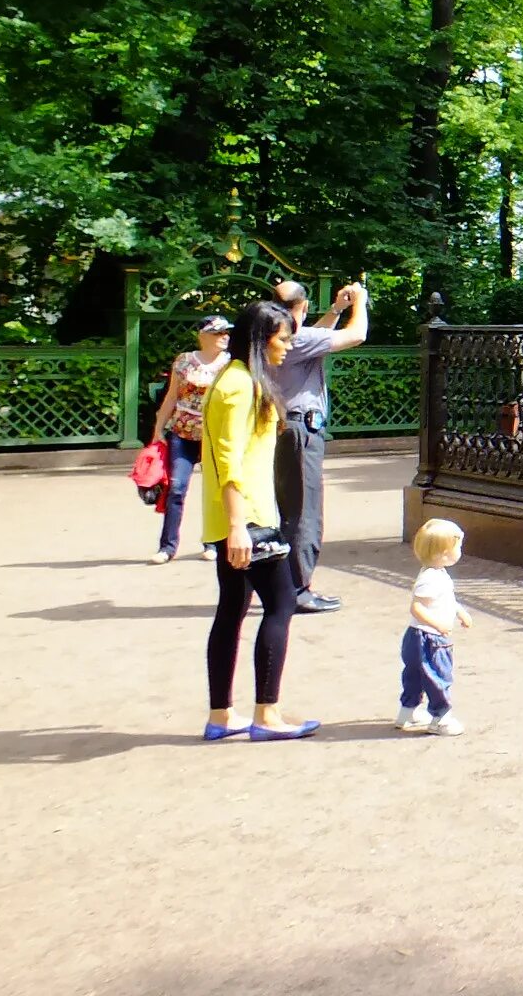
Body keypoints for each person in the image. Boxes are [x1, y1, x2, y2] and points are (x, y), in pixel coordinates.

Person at [200, 300, 317, 742]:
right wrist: (237, 526)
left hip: (240, 517)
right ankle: (266, 715)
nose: (288, 346)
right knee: (282, 605)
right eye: (282, 337)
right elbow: (227, 460)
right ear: (260, 338)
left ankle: (220, 716)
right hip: (248, 520)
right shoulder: (239, 386)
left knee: (231, 611)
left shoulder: (237, 381)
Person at [272, 278, 369, 613]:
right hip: (301, 431)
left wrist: (335, 310)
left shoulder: (278, 335)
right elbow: (357, 335)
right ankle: (298, 590)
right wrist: (360, 302)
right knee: (304, 512)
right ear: (303, 306)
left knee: (291, 509)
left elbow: (315, 334)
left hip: (286, 429)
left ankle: (288, 585)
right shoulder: (296, 337)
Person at [145, 316, 231, 564]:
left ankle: (213, 542)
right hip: (182, 432)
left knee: (215, 490)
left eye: (226, 332)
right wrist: (158, 429)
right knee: (177, 487)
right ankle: (167, 547)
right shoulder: (184, 361)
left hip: (214, 434)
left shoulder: (230, 364)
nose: (224, 337)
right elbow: (171, 396)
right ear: (202, 336)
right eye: (218, 333)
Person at [398, 518, 474, 737]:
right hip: (429, 638)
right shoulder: (430, 578)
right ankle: (441, 718)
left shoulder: (436, 574)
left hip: (418, 637)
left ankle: (407, 713)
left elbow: (446, 600)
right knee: (437, 677)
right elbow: (417, 608)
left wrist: (460, 612)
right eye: (457, 546)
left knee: (415, 676)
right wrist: (438, 624)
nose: (460, 550)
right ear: (443, 552)